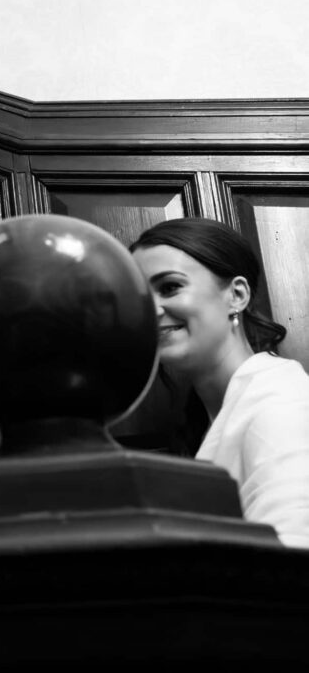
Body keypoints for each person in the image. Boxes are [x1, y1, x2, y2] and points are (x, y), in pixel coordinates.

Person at [130, 217, 309, 548]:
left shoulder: (282, 400)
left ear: (236, 295)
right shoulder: (209, 417)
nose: (150, 310)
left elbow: (293, 557)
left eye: (170, 287)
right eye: (139, 297)